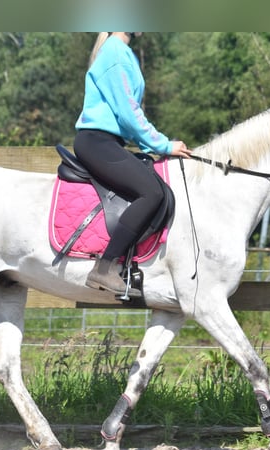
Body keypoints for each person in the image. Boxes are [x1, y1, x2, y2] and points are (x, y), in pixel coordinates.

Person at [74, 32, 191, 297]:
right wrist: (163, 145)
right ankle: (104, 268)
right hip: (97, 141)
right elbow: (128, 112)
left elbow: (128, 113)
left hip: (109, 142)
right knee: (152, 192)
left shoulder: (123, 53)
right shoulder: (115, 53)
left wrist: (153, 146)